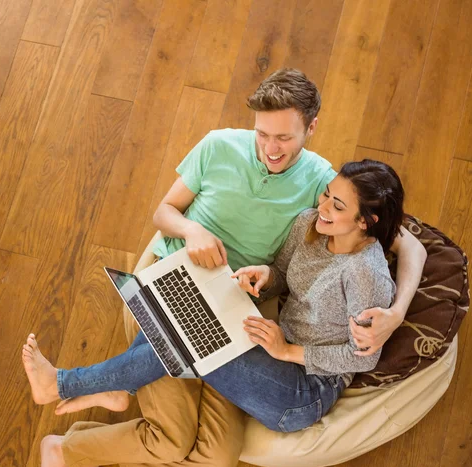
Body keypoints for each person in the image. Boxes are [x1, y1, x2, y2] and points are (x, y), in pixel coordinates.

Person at [23, 69, 427, 467]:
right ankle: (81, 432)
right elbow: (262, 262)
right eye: (262, 134)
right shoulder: (288, 203)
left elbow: (405, 248)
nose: (271, 149)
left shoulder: (333, 206)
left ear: (311, 129)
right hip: (186, 284)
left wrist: (391, 313)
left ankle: (91, 390)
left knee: (212, 427)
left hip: (287, 367)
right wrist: (262, 274)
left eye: (285, 138)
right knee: (193, 434)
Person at [45, 159, 402, 435]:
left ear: (365, 222)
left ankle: (65, 384)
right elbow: (280, 274)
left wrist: (287, 352)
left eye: (338, 206)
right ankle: (121, 386)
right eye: (326, 194)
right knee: (194, 313)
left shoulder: (365, 274)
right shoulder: (309, 224)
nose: (323, 206)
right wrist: (265, 277)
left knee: (193, 337)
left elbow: (363, 359)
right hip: (275, 347)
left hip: (304, 390)